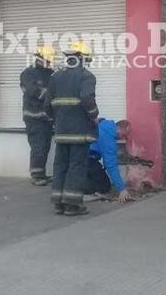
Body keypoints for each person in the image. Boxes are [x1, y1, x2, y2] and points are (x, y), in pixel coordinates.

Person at [45, 41, 99, 217]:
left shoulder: (55, 76)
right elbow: (86, 97)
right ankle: (72, 205)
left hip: (61, 131)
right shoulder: (86, 76)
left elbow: (47, 105)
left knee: (60, 165)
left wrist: (56, 121)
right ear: (81, 58)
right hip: (80, 131)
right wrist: (94, 115)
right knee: (76, 166)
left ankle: (59, 203)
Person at [20, 46, 56, 186]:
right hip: (33, 117)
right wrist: (50, 95)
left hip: (46, 119)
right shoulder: (28, 74)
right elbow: (33, 91)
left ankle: (41, 174)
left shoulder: (51, 74)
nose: (49, 63)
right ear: (40, 59)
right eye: (47, 60)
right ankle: (36, 175)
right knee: (38, 146)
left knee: (45, 146)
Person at [86, 118, 132, 204]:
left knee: (103, 181)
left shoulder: (104, 125)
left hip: (83, 157)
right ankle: (75, 186)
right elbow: (110, 165)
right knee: (104, 187)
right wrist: (122, 189)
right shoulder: (108, 139)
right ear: (119, 128)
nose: (125, 138)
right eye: (124, 135)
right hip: (87, 160)